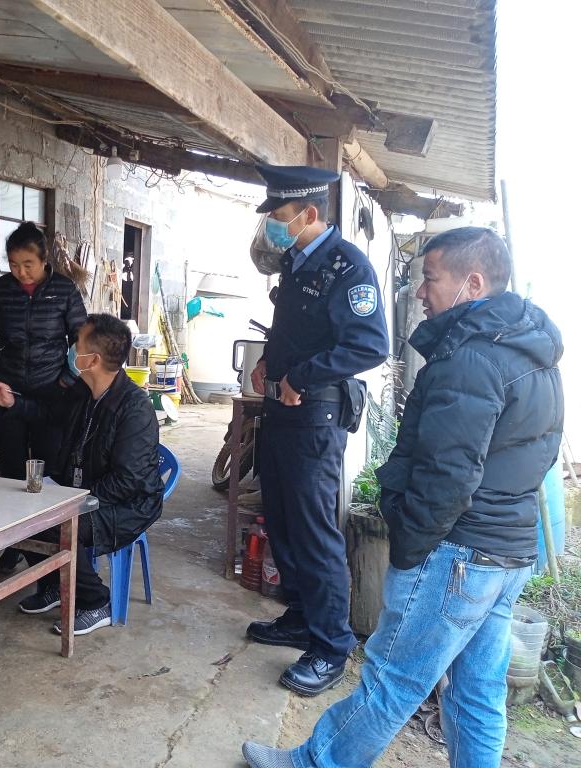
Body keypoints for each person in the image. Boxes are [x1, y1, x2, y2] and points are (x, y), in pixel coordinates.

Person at [242, 227, 564, 768]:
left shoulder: (472, 360)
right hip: (507, 550)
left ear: (473, 283)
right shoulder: (534, 352)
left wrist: (409, 542)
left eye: (430, 278)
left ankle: (314, 762)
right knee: (477, 691)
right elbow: (541, 454)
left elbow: (446, 475)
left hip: (458, 553)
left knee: (392, 678)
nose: (420, 292)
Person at [246, 164, 389, 696]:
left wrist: (300, 376)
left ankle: (331, 646)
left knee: (313, 531)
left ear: (308, 214)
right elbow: (293, 331)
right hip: (282, 411)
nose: (273, 226)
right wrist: (269, 362)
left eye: (280, 216)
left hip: (315, 416)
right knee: (282, 521)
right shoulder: (296, 263)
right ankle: (302, 616)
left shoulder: (348, 267)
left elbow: (370, 345)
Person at [0, 313, 164, 635]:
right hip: (82, 489)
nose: (71, 349)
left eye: (77, 344)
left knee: (56, 524)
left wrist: (74, 501)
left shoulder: (134, 408)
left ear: (92, 360)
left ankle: (97, 601)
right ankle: (57, 585)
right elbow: (47, 413)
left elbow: (129, 481)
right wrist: (12, 403)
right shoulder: (83, 392)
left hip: (128, 505)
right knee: (17, 515)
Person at [0, 221, 88, 573]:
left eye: (28, 265)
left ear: (44, 259)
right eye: (13, 264)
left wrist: (67, 381)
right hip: (9, 393)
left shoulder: (64, 290)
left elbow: (81, 340)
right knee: (10, 471)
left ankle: (47, 546)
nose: (21, 272)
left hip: (52, 394)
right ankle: (13, 544)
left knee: (46, 470)